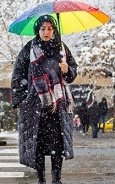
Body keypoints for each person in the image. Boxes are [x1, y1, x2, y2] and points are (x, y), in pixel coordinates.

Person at [11, 14, 78, 184]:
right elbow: (18, 73)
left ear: (54, 30)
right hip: (36, 106)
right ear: (37, 30)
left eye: (49, 28)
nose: (46, 32)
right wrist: (21, 98)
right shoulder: (29, 49)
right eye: (42, 29)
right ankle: (41, 179)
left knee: (58, 144)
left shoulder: (62, 48)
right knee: (38, 146)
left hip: (58, 105)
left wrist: (67, 69)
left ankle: (57, 180)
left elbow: (72, 73)